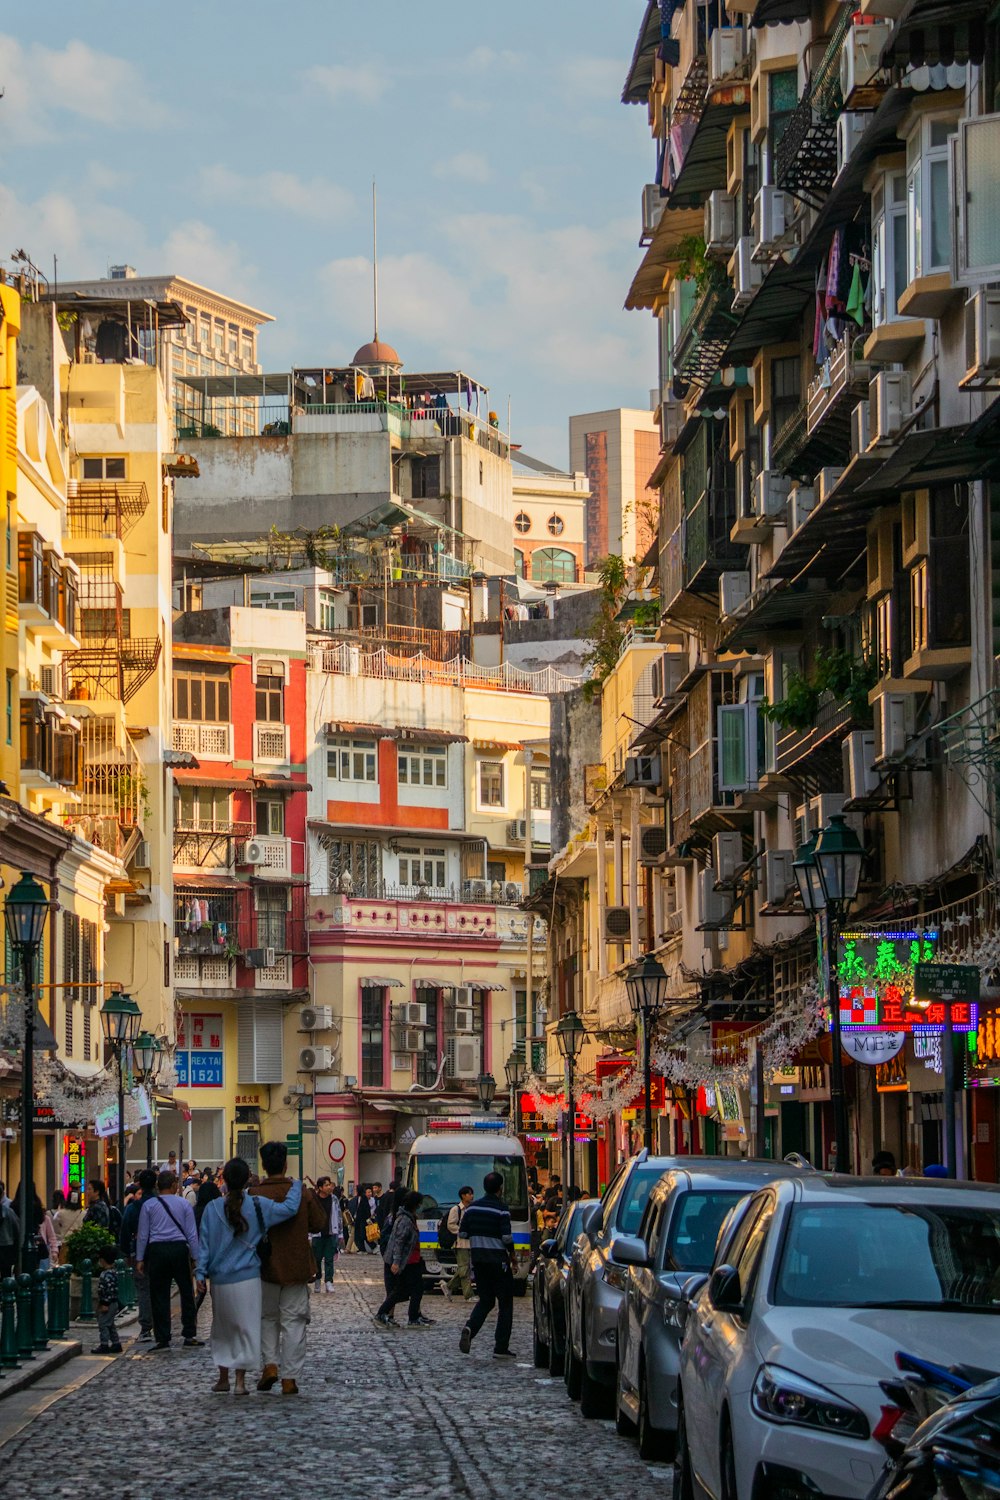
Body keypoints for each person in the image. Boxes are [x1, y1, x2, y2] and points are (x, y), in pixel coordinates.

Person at [195, 1158, 303, 1396]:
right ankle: (240, 1383)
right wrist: (296, 1184)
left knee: (222, 1328)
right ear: (247, 1180)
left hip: (220, 1280)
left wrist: (200, 1273)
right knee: (245, 1329)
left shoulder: (212, 1209)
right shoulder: (257, 1204)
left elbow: (204, 1245)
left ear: (223, 1180)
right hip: (248, 1279)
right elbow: (289, 1208)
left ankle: (222, 1378)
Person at [251, 1140, 327, 1395]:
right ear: (285, 1164)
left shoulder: (254, 1194)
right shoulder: (301, 1193)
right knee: (294, 1323)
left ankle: (270, 1365)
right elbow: (319, 1223)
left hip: (263, 1268)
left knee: (267, 1319)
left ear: (264, 1164)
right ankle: (290, 1378)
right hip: (296, 1267)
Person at [135, 1170, 202, 1351]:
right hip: (179, 1249)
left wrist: (140, 1258)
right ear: (174, 1185)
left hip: (157, 1250)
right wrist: (195, 1258)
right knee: (186, 1291)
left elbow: (143, 1234)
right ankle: (189, 1333)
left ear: (158, 1186)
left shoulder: (149, 1205)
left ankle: (163, 1337)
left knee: (159, 1294)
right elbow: (191, 1234)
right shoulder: (184, 1204)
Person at [458, 1171, 516, 1360]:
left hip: (479, 1261)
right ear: (500, 1188)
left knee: (486, 1300)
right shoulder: (502, 1209)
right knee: (505, 1303)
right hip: (498, 1261)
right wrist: (513, 1256)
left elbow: (463, 1233)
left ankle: (470, 1327)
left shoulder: (472, 1209)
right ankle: (501, 1346)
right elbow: (507, 1238)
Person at [374, 1189, 433, 1329]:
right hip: (406, 1261)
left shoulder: (409, 1217)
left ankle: (410, 1315)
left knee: (409, 1289)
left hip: (412, 1259)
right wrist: (395, 1261)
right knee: (406, 1290)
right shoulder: (404, 1220)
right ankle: (390, 1314)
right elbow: (398, 1242)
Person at [120, 1168, 156, 1340]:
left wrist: (126, 1252)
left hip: (137, 1252)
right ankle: (161, 1325)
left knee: (143, 1289)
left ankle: (146, 1327)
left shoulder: (134, 1208)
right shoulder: (160, 1204)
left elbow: (125, 1230)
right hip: (158, 1250)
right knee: (158, 1288)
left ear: (139, 1184)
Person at [439, 1185, 475, 1303]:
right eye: (469, 1194)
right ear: (463, 1196)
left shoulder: (471, 1208)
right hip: (460, 1243)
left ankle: (448, 1286)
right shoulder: (456, 1209)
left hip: (471, 1243)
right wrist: (462, 1231)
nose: (471, 1196)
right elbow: (451, 1225)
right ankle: (468, 1295)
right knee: (464, 1269)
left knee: (465, 1269)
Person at [312, 1176, 343, 1292]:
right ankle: (317, 1280)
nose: (329, 1187)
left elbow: (339, 1216)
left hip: (331, 1233)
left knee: (329, 1259)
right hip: (317, 1234)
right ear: (320, 1188)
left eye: (330, 1184)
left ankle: (329, 1281)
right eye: (326, 1185)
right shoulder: (314, 1199)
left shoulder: (334, 1199)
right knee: (317, 1259)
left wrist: (340, 1234)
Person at [93, 1244, 123, 1355]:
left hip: (109, 1303)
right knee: (110, 1324)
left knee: (103, 1323)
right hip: (113, 1302)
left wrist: (104, 1303)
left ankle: (104, 1344)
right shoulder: (114, 1273)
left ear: (102, 1260)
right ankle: (116, 1343)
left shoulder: (106, 1275)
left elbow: (108, 1290)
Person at [0, 1187, 19, 1280]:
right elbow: (17, 1228)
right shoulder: (8, 1211)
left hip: (6, 1246)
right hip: (6, 1246)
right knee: (6, 1274)